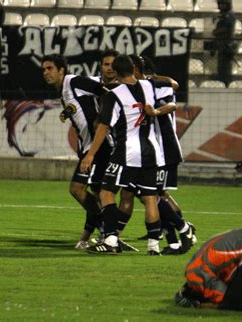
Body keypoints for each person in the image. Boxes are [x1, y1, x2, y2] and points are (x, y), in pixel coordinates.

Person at [80, 55, 178, 255]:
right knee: (150, 198)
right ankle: (154, 246)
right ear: (133, 69)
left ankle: (110, 239)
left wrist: (90, 154)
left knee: (106, 193)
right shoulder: (149, 85)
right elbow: (173, 85)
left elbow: (104, 126)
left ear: (115, 73)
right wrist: (156, 111)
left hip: (126, 152)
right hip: (151, 151)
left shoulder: (115, 94)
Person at [122, 54, 196, 255]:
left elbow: (171, 104)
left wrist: (154, 112)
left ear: (136, 69)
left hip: (163, 147)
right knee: (153, 194)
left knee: (155, 194)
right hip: (149, 149)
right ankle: (175, 238)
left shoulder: (157, 84)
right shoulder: (138, 88)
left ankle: (183, 230)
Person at [42, 54, 111, 250]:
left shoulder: (74, 81)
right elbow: (80, 106)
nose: (46, 73)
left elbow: (104, 91)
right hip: (89, 148)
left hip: (99, 146)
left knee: (78, 189)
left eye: (50, 68)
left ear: (61, 70)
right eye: (44, 69)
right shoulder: (63, 91)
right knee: (94, 193)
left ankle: (107, 230)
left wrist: (101, 116)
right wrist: (67, 112)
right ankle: (99, 233)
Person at [212, 0, 236, 87]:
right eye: (220, 4)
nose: (221, 6)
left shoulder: (229, 15)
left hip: (226, 45)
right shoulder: (223, 15)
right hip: (221, 44)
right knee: (221, 66)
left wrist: (216, 31)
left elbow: (227, 29)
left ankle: (225, 84)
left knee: (225, 67)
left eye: (223, 4)